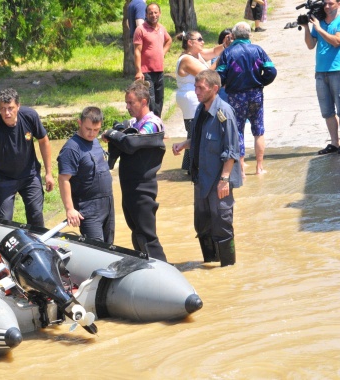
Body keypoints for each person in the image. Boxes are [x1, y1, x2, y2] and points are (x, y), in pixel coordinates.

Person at [172, 70, 242, 267]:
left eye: (201, 88)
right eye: (195, 87)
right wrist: (184, 144)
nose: (196, 91)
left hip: (219, 181)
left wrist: (225, 179)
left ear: (215, 88)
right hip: (201, 178)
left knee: (222, 225)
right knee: (202, 224)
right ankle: (210, 265)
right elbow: (199, 139)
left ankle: (228, 268)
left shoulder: (224, 113)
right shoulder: (200, 110)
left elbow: (232, 150)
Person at [102, 81, 167, 262]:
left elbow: (131, 144)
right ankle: (145, 268)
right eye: (126, 103)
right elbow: (117, 129)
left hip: (143, 189)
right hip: (129, 187)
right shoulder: (133, 122)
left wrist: (115, 135)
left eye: (131, 103)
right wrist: (116, 134)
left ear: (144, 101)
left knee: (147, 236)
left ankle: (162, 272)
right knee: (136, 232)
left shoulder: (152, 123)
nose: (127, 107)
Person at [0, 88, 55, 227]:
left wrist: (49, 173)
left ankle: (37, 245)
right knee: (5, 221)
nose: (7, 113)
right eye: (3, 109)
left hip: (30, 175)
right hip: (5, 178)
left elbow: (43, 141)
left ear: (18, 106)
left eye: (10, 108)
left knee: (36, 215)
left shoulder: (30, 116)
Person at [215, 22, 277, 176]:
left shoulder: (228, 53)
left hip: (236, 96)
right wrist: (262, 82)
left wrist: (225, 84)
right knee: (258, 131)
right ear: (249, 35)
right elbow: (271, 70)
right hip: (256, 94)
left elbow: (220, 75)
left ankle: (241, 169)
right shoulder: (258, 50)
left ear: (233, 36)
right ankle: (259, 167)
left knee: (238, 131)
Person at [57, 107, 115, 244]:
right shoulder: (71, 148)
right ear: (79, 123)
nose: (92, 134)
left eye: (96, 130)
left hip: (107, 203)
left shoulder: (95, 141)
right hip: (88, 208)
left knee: (110, 248)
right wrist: (70, 209)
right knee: (97, 249)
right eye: (88, 129)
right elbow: (63, 179)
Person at [175, 30, 230, 173]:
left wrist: (225, 45)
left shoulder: (196, 55)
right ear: (190, 42)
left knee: (193, 133)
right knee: (197, 132)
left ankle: (189, 167)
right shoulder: (187, 59)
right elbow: (207, 75)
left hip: (192, 98)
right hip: (190, 99)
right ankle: (195, 167)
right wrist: (220, 60)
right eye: (199, 39)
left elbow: (213, 51)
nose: (203, 41)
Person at [301, 0, 340, 155]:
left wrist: (318, 28)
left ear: (338, 3)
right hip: (321, 72)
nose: (327, 6)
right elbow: (311, 45)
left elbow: (337, 41)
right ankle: (334, 143)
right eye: (325, 4)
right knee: (327, 111)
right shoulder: (319, 22)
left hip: (337, 70)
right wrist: (306, 27)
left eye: (331, 3)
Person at [133, 2, 172, 117]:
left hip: (159, 70)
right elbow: (137, 51)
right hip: (146, 72)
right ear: (146, 14)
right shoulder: (140, 30)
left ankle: (158, 126)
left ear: (159, 13)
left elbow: (169, 40)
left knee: (160, 100)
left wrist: (162, 52)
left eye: (155, 12)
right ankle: (152, 128)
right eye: (150, 13)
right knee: (151, 100)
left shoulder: (161, 28)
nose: (153, 15)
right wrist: (138, 71)